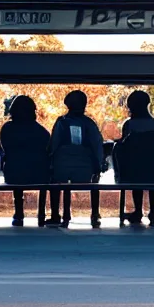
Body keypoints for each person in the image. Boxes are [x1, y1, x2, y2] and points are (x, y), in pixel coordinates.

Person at [48, 90, 104, 229]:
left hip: (62, 170)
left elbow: (53, 146)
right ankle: (95, 214)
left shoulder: (61, 123)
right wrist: (98, 166)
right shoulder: (90, 124)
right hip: (85, 171)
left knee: (55, 181)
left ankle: (57, 215)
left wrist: (51, 163)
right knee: (94, 181)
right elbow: (97, 146)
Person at [116, 90, 154, 227]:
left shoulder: (129, 125)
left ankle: (138, 211)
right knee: (153, 183)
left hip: (134, 170)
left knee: (136, 180)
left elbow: (123, 148)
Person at [0, 96, 50, 227]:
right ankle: (42, 214)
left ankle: (19, 213)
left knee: (17, 166)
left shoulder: (7, 129)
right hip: (39, 174)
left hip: (14, 174)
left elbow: (5, 150)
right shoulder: (41, 131)